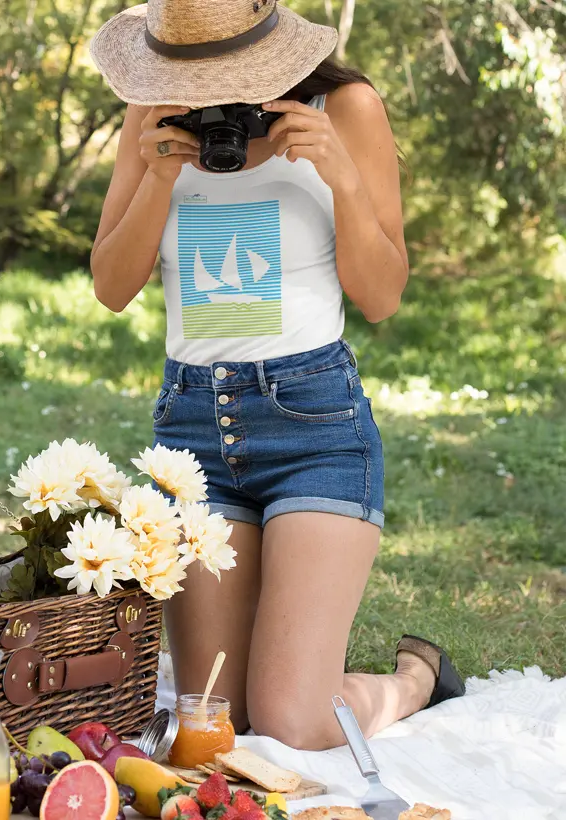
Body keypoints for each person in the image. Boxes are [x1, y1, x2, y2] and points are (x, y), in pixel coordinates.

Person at [89, 0, 465, 750]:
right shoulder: (151, 118)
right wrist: (158, 175)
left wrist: (340, 176)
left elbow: (383, 295)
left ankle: (416, 679)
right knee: (215, 723)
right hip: (193, 438)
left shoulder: (346, 108)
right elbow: (110, 285)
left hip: (315, 429)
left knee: (292, 719)